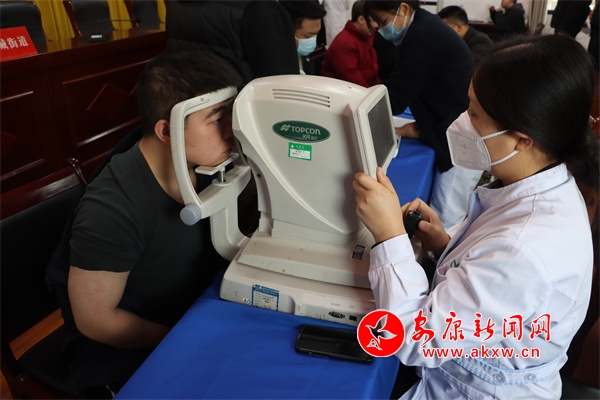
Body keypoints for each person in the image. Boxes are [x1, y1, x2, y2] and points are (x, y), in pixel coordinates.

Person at [353, 34, 598, 399]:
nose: (462, 122)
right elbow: (494, 280)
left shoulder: (525, 247)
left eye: (474, 113)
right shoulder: (542, 184)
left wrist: (389, 235)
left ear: (521, 139)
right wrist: (446, 244)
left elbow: (411, 339)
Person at [47, 49, 242, 398]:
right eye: (216, 119)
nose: (232, 131)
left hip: (190, 310)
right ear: (167, 131)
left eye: (232, 114)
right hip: (129, 349)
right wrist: (185, 337)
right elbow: (96, 321)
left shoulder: (206, 165)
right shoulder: (112, 208)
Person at [365, 1, 480, 230]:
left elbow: (397, 98)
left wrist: (363, 104)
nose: (379, 28)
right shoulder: (421, 28)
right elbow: (398, 78)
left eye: (383, 21)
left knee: (445, 216)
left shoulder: (422, 36)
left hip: (462, 136)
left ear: (403, 9)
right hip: (451, 126)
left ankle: (441, 252)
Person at [165, 0, 299, 85]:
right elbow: (284, 86)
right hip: (243, 115)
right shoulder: (261, 8)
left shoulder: (176, 4)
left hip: (196, 113)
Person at [321, 1, 380, 87]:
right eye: (374, 20)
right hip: (349, 91)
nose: (376, 25)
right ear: (361, 20)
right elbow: (352, 79)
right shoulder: (345, 42)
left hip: (368, 89)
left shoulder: (365, 36)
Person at [280, 0, 327, 74]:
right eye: (308, 36)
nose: (313, 41)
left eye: (316, 34)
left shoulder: (308, 58)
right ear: (289, 31)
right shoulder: (277, 62)